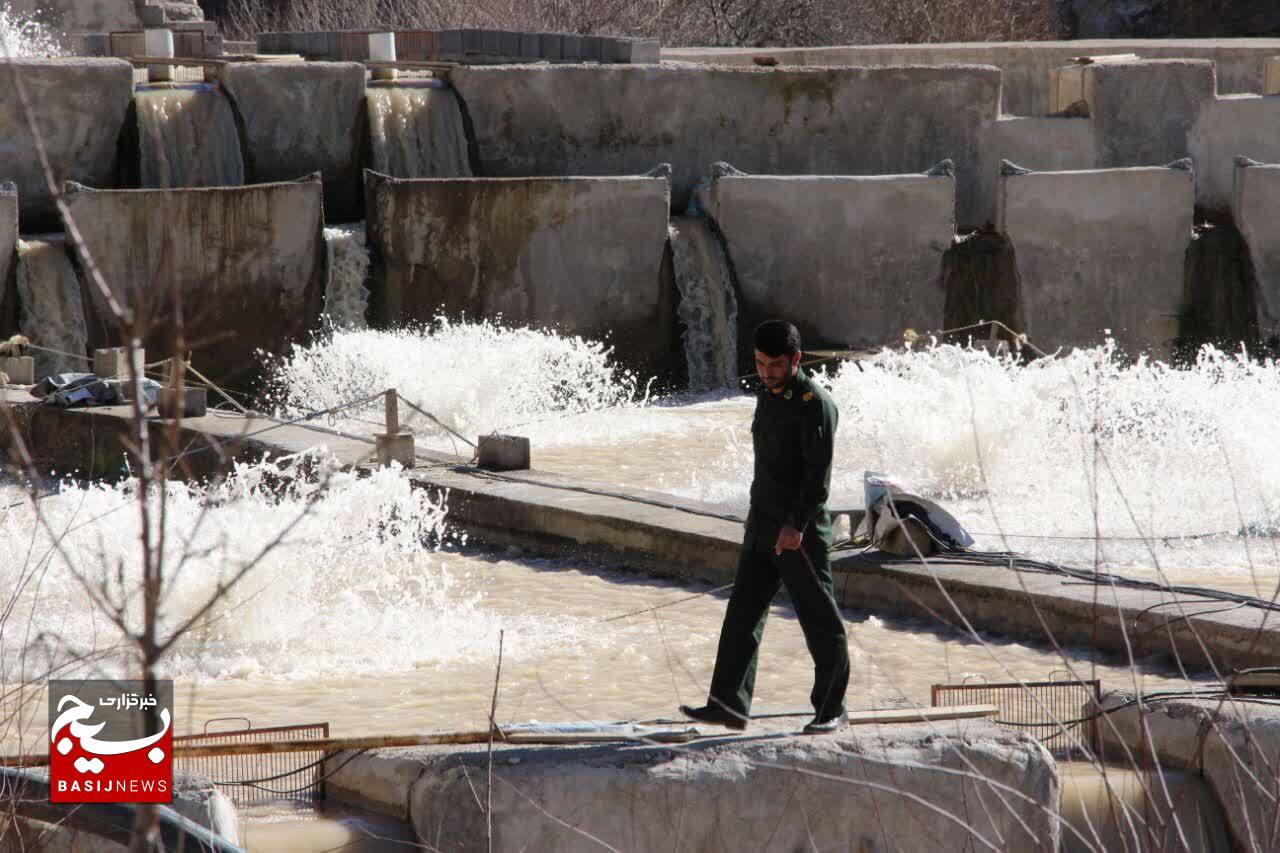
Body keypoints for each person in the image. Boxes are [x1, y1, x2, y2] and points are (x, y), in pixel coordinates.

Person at [680, 320, 850, 734]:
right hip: (762, 527)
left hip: (799, 535)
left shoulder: (815, 404)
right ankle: (728, 706)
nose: (766, 372)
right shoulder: (766, 397)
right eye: (759, 363)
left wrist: (795, 526)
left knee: (818, 620)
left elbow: (816, 480)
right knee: (741, 617)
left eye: (775, 364)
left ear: (795, 359)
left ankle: (832, 709)